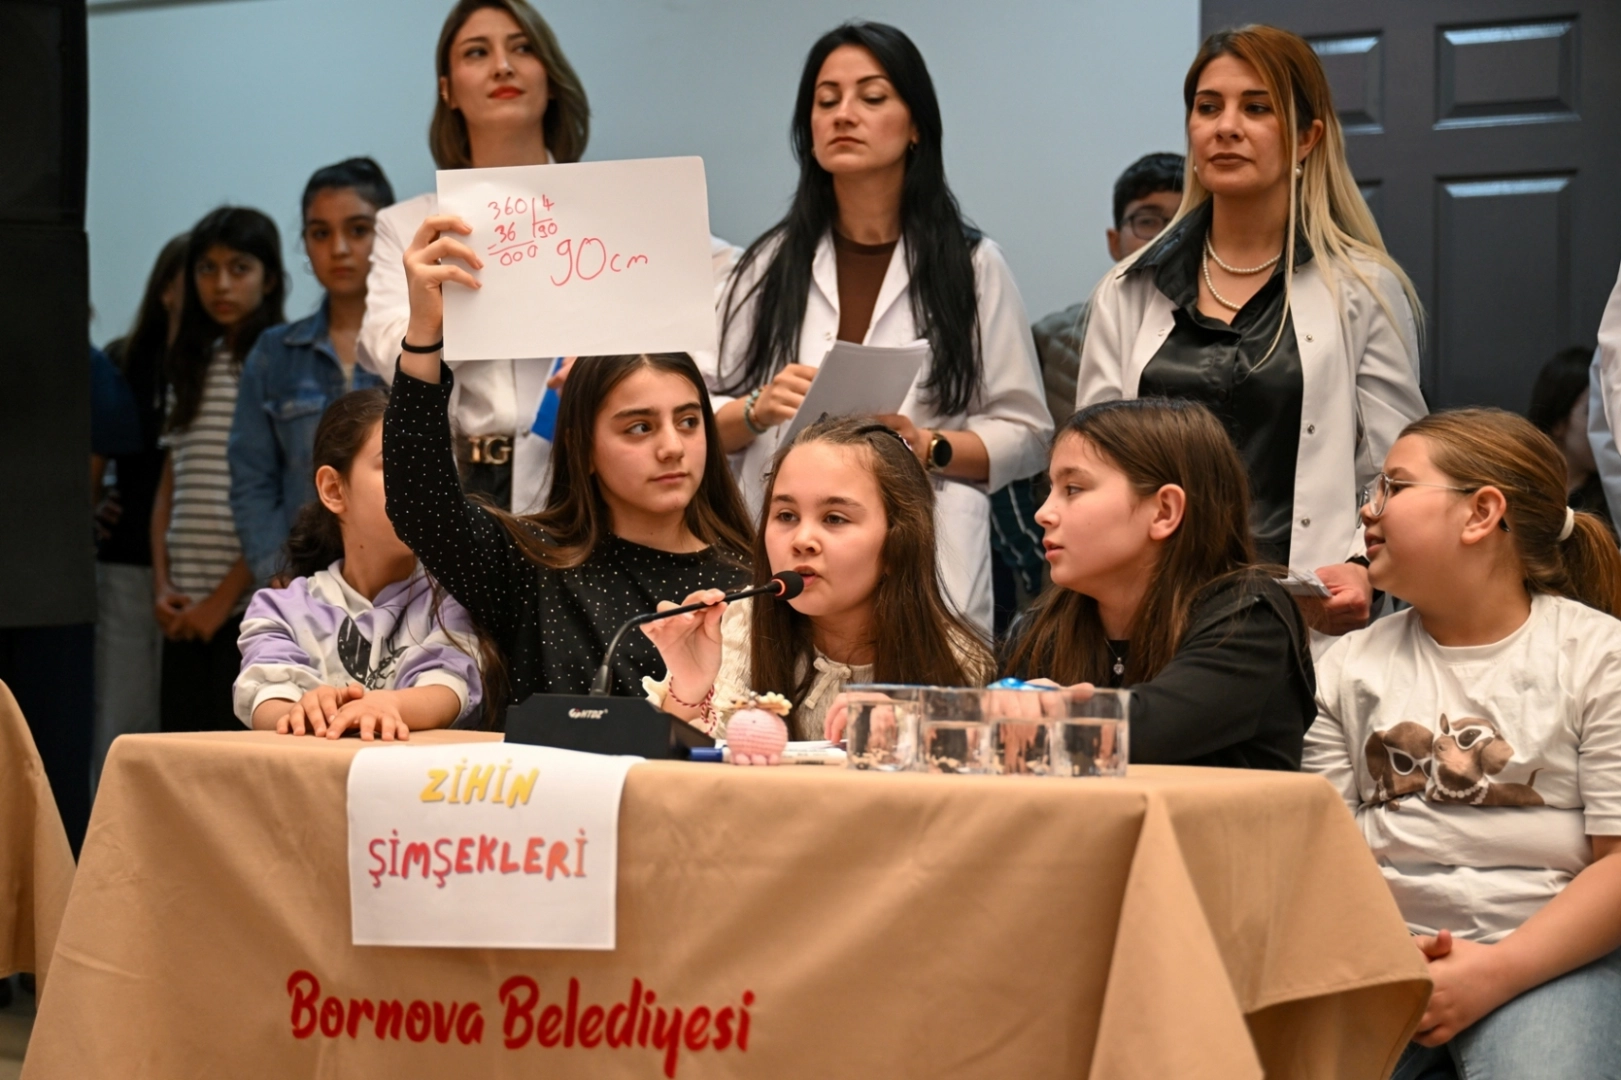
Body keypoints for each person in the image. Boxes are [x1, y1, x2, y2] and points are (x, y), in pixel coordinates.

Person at [1077, 25, 1427, 642]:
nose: (1227, 127)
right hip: (1154, 614)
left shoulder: (1363, 291)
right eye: (1208, 107)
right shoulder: (1129, 289)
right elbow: (1091, 466)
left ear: (1306, 138)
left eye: (1257, 108)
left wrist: (1361, 566)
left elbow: (1396, 470)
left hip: (1305, 620)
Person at [1303, 409, 1621, 1077]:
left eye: (1394, 486)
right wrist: (1390, 960)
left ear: (1480, 514)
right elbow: (1322, 853)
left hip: (1548, 957)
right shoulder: (1346, 667)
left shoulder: (1597, 657)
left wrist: (1495, 972)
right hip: (1377, 955)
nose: (1367, 509)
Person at [707, 21, 1051, 636]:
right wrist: (755, 410)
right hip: (785, 563)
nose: (844, 114)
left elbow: (1027, 431)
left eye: (871, 97)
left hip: (926, 557)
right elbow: (696, 416)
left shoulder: (972, 265)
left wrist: (929, 445)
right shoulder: (764, 266)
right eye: (826, 100)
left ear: (916, 125)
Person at [384, 216, 756, 706]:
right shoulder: (530, 564)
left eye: (688, 421)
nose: (672, 446)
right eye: (639, 427)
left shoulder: (753, 580)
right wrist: (424, 334)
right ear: (583, 449)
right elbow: (420, 505)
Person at [1001, 398, 1313, 769]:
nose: (1043, 513)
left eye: (1073, 489)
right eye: (1050, 489)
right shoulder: (1042, 630)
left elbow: (1154, 730)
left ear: (1165, 511)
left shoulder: (1251, 618)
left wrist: (1056, 711)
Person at [643, 417, 994, 741]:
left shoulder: (958, 662)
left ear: (898, 543)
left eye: (834, 519)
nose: (802, 540)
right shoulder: (737, 624)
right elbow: (683, 777)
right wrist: (689, 689)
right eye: (786, 515)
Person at [989, 152, 1187, 633]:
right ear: (1115, 240)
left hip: (1186, 563)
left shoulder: (1220, 338)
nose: (1164, 236)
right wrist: (1038, 558)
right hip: (1070, 575)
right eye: (1147, 221)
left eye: (1181, 221)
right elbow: (1021, 464)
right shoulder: (1051, 341)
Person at [235, 389, 484, 739]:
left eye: (436, 468)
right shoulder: (281, 609)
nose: (425, 486)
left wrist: (388, 705)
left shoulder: (456, 596)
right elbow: (264, 694)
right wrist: (299, 710)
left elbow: (449, 686)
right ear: (333, 489)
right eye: (398, 464)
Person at [230, 158, 394, 586]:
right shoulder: (274, 353)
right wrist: (276, 568)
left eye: (358, 230)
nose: (339, 248)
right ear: (305, 242)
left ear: (389, 234)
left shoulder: (419, 345)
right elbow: (252, 479)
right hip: (301, 580)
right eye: (321, 233)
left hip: (405, 579)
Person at [152, 208, 285, 731]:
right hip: (184, 601)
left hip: (248, 606)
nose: (221, 284)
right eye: (207, 269)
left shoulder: (275, 363)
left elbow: (271, 498)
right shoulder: (191, 363)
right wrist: (162, 585)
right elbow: (170, 486)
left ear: (269, 278)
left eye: (239, 268)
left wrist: (222, 601)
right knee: (178, 747)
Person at [93, 235, 188, 783]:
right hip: (128, 558)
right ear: (166, 289)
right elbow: (93, 454)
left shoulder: (228, 362)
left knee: (183, 725)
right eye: (197, 275)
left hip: (200, 568)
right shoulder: (124, 360)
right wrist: (96, 503)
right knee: (120, 718)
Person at [1527, 345, 1611, 532]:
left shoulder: (1613, 502)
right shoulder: (1515, 488)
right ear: (1559, 421)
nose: (1608, 428)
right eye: (1595, 413)